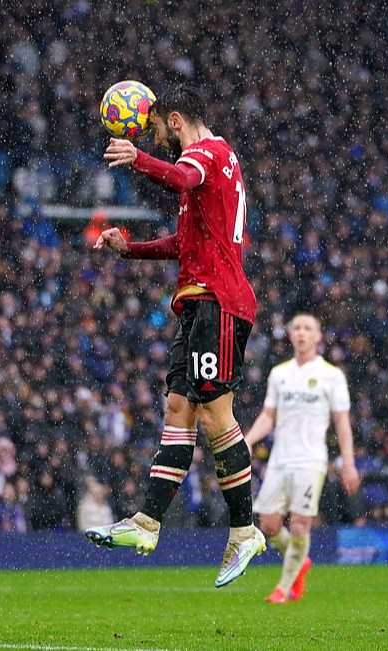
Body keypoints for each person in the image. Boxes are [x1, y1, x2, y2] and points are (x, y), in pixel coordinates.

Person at [88, 83, 266, 587]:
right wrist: (130, 249)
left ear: (175, 119)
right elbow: (180, 244)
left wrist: (140, 159)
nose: (156, 139)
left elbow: (183, 175)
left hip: (219, 302)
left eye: (157, 130)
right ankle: (147, 522)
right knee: (179, 409)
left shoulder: (210, 152)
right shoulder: (204, 178)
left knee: (215, 412)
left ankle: (244, 530)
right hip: (198, 304)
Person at [244, 313, 360, 602]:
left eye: (308, 329)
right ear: (290, 335)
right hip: (280, 460)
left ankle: (283, 587)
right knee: (269, 525)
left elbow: (342, 423)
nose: (301, 333)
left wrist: (348, 463)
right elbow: (268, 416)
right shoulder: (279, 373)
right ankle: (300, 562)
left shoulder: (331, 375)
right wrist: (246, 441)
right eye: (296, 328)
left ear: (318, 336)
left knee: (299, 525)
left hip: (311, 460)